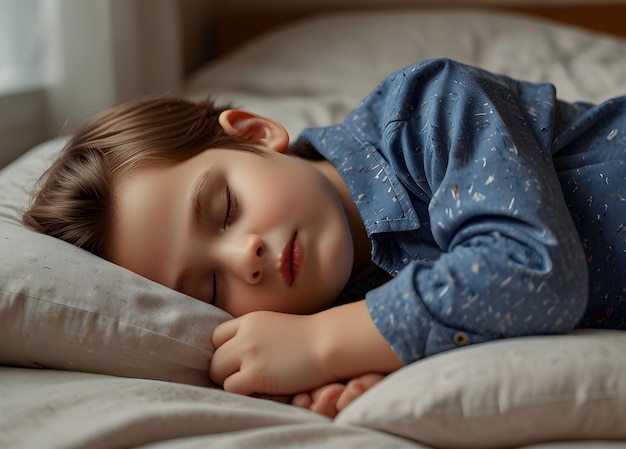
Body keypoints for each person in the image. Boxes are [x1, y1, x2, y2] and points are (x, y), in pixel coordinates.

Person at [23, 58, 626, 418]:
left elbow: (533, 273)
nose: (246, 257)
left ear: (256, 133)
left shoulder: (428, 108)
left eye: (225, 208)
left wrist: (326, 342)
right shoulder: (333, 302)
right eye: (210, 286)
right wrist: (380, 357)